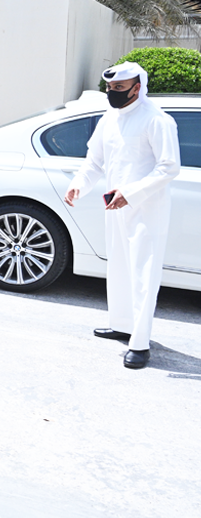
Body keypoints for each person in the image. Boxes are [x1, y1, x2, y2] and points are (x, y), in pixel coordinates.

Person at [65, 62, 180, 370]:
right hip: (115, 205)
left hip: (146, 209)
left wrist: (130, 193)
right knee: (118, 266)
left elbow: (169, 167)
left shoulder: (158, 121)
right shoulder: (109, 118)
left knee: (143, 274)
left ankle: (140, 343)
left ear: (137, 88)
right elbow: (95, 161)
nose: (112, 93)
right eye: (110, 88)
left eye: (118, 88)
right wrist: (79, 184)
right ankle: (122, 324)